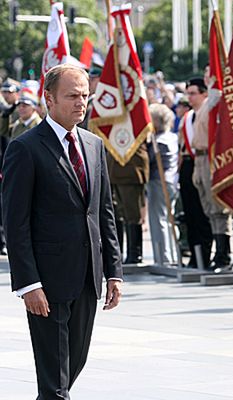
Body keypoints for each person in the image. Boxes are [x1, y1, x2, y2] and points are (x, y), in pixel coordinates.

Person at [1, 64, 123, 399]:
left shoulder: (94, 145)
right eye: (72, 96)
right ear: (49, 99)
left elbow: (103, 213)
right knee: (55, 383)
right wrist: (28, 284)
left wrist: (114, 271)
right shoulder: (25, 148)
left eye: (85, 95)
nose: (81, 103)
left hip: (87, 278)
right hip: (47, 282)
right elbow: (15, 223)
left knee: (71, 367)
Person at [191, 74, 233, 271]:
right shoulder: (200, 109)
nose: (189, 97)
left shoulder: (212, 102)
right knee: (209, 208)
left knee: (218, 209)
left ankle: (223, 254)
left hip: (210, 157)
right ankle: (219, 251)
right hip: (199, 158)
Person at [179, 78, 214, 269]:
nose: (189, 97)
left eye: (193, 93)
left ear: (204, 93)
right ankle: (195, 254)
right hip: (188, 164)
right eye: (188, 93)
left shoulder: (207, 113)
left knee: (204, 212)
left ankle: (206, 254)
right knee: (190, 213)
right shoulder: (188, 117)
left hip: (202, 161)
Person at [147, 103, 179, 265]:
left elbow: (149, 160)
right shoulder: (173, 137)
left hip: (158, 181)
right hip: (172, 181)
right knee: (167, 218)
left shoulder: (157, 141)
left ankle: (163, 256)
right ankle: (170, 254)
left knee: (158, 219)